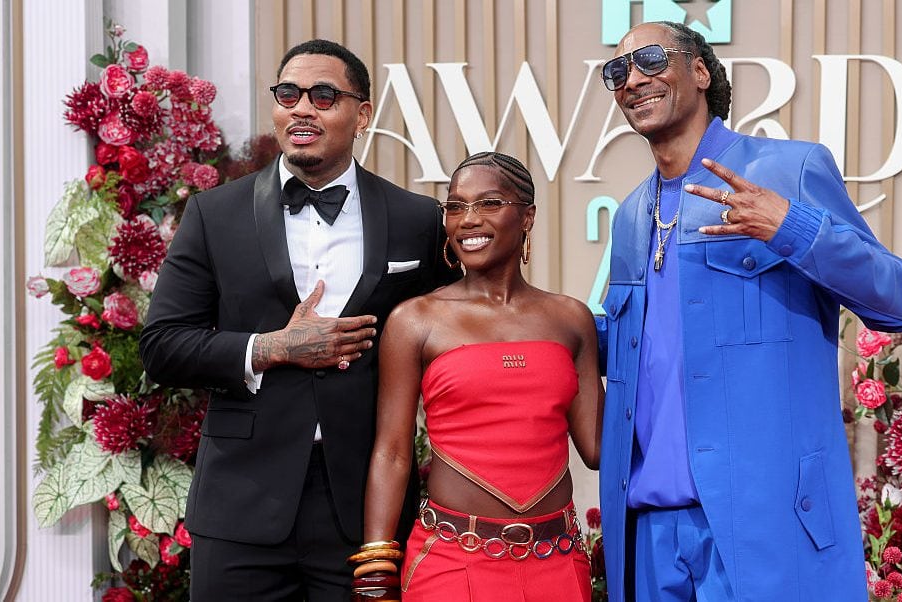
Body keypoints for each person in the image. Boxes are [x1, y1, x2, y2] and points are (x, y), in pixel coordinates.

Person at [596, 22, 902, 602]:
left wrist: (791, 227)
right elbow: (640, 350)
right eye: (617, 71)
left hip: (767, 523)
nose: (633, 79)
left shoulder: (787, 170)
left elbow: (899, 303)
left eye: (649, 58)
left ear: (699, 71)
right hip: (650, 534)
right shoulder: (629, 216)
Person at [139, 39, 460, 601]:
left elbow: (456, 336)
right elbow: (163, 345)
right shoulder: (214, 215)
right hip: (241, 505)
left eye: (324, 95)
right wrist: (271, 348)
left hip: (365, 509)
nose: (302, 107)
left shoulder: (417, 220)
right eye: (289, 93)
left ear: (362, 114)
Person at [355, 152, 604, 601]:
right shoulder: (416, 319)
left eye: (489, 203)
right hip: (452, 562)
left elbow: (598, 448)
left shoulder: (571, 319)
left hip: (559, 562)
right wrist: (374, 572)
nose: (468, 219)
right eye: (455, 206)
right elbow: (392, 453)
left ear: (527, 216)